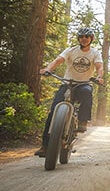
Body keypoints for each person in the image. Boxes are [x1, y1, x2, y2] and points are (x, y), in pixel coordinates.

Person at [34, 27, 104, 157]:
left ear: (91, 39)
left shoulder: (95, 53)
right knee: (53, 112)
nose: (84, 39)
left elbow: (99, 66)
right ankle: (45, 146)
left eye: (87, 37)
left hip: (83, 84)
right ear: (78, 39)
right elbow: (58, 61)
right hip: (67, 83)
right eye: (81, 36)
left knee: (88, 92)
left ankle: (83, 121)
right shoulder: (71, 51)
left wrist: (99, 77)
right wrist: (48, 69)